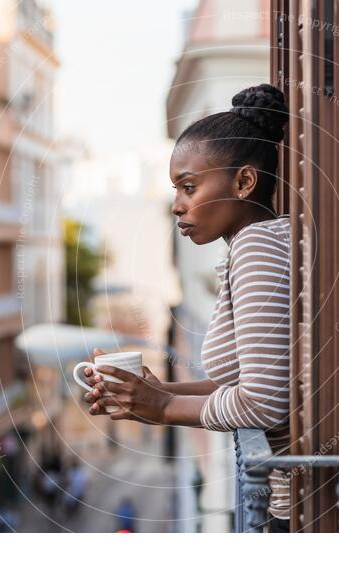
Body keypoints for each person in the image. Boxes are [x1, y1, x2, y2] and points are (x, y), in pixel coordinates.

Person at [82, 84, 292, 531]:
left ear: (244, 181)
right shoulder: (252, 244)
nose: (177, 206)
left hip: (291, 514)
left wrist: (162, 410)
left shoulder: (257, 246)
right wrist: (154, 394)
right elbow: (251, 377)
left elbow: (264, 403)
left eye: (189, 187)